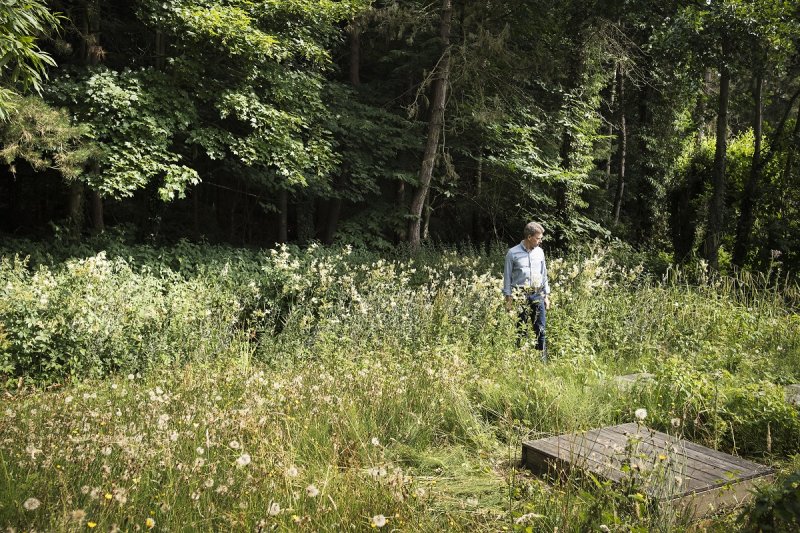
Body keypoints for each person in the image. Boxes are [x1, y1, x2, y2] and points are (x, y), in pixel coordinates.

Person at [503, 222, 551, 360]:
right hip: (520, 295)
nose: (540, 241)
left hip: (537, 293)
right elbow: (507, 278)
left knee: (540, 328)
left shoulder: (540, 252)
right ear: (529, 237)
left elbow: (544, 275)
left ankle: (541, 360)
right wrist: (509, 300)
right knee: (520, 328)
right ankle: (520, 359)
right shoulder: (512, 253)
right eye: (538, 238)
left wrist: (546, 296)